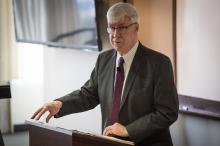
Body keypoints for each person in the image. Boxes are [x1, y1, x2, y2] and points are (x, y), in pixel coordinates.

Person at [31, 2, 178, 146]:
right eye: (111, 28)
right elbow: (88, 95)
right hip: (109, 141)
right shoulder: (104, 59)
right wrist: (60, 104)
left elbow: (167, 112)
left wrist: (128, 130)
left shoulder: (159, 63)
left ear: (136, 28)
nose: (115, 34)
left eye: (121, 28)